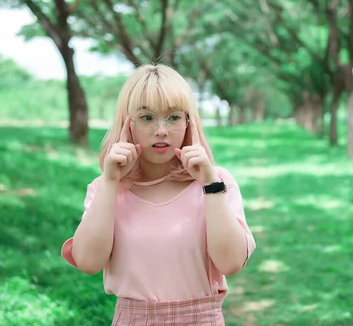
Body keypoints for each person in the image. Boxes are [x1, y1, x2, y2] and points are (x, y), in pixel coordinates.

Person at [61, 64, 256, 325]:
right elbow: (88, 262)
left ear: (190, 123)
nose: (161, 130)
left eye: (174, 117)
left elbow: (231, 263)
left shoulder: (216, 183)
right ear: (126, 124)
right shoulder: (107, 188)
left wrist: (209, 183)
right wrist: (110, 181)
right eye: (147, 117)